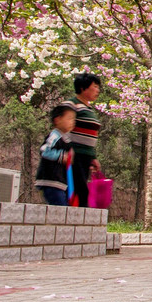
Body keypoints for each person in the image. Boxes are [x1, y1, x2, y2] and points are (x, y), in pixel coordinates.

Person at [64, 73, 102, 208]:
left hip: (85, 155)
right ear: (82, 87)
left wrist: (93, 157)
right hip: (73, 154)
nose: (97, 90)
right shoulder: (71, 104)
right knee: (78, 189)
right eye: (95, 86)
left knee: (81, 188)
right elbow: (61, 128)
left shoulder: (88, 109)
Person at [35, 105, 76, 206]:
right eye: (69, 118)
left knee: (65, 208)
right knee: (60, 208)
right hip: (50, 181)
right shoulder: (55, 136)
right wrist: (61, 156)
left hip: (61, 182)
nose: (73, 122)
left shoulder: (66, 139)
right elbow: (44, 151)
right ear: (58, 120)